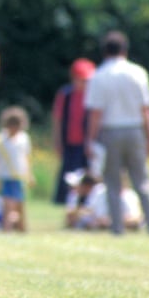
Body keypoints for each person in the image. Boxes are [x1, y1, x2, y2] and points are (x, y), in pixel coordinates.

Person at [84, 30, 149, 236]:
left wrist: (90, 140)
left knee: (112, 183)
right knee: (142, 181)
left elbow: (95, 113)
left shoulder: (98, 75)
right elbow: (146, 110)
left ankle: (117, 228)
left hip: (110, 131)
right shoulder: (138, 72)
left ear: (104, 52)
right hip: (135, 130)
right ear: (125, 50)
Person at [50, 58, 95, 205]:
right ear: (74, 78)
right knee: (68, 176)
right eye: (82, 79)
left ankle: (86, 201)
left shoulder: (93, 96)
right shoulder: (65, 95)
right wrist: (57, 141)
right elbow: (57, 119)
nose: (85, 83)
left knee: (88, 175)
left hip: (86, 143)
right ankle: (65, 202)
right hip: (69, 142)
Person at [0, 105, 33, 232]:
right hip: (4, 176)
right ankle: (7, 229)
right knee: (8, 204)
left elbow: (26, 158)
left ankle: (22, 229)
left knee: (20, 204)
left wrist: (30, 175)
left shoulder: (24, 138)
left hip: (20, 176)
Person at [65, 173, 143, 231]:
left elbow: (135, 217)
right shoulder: (100, 192)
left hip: (120, 221)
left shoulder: (129, 196)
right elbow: (92, 212)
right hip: (103, 220)